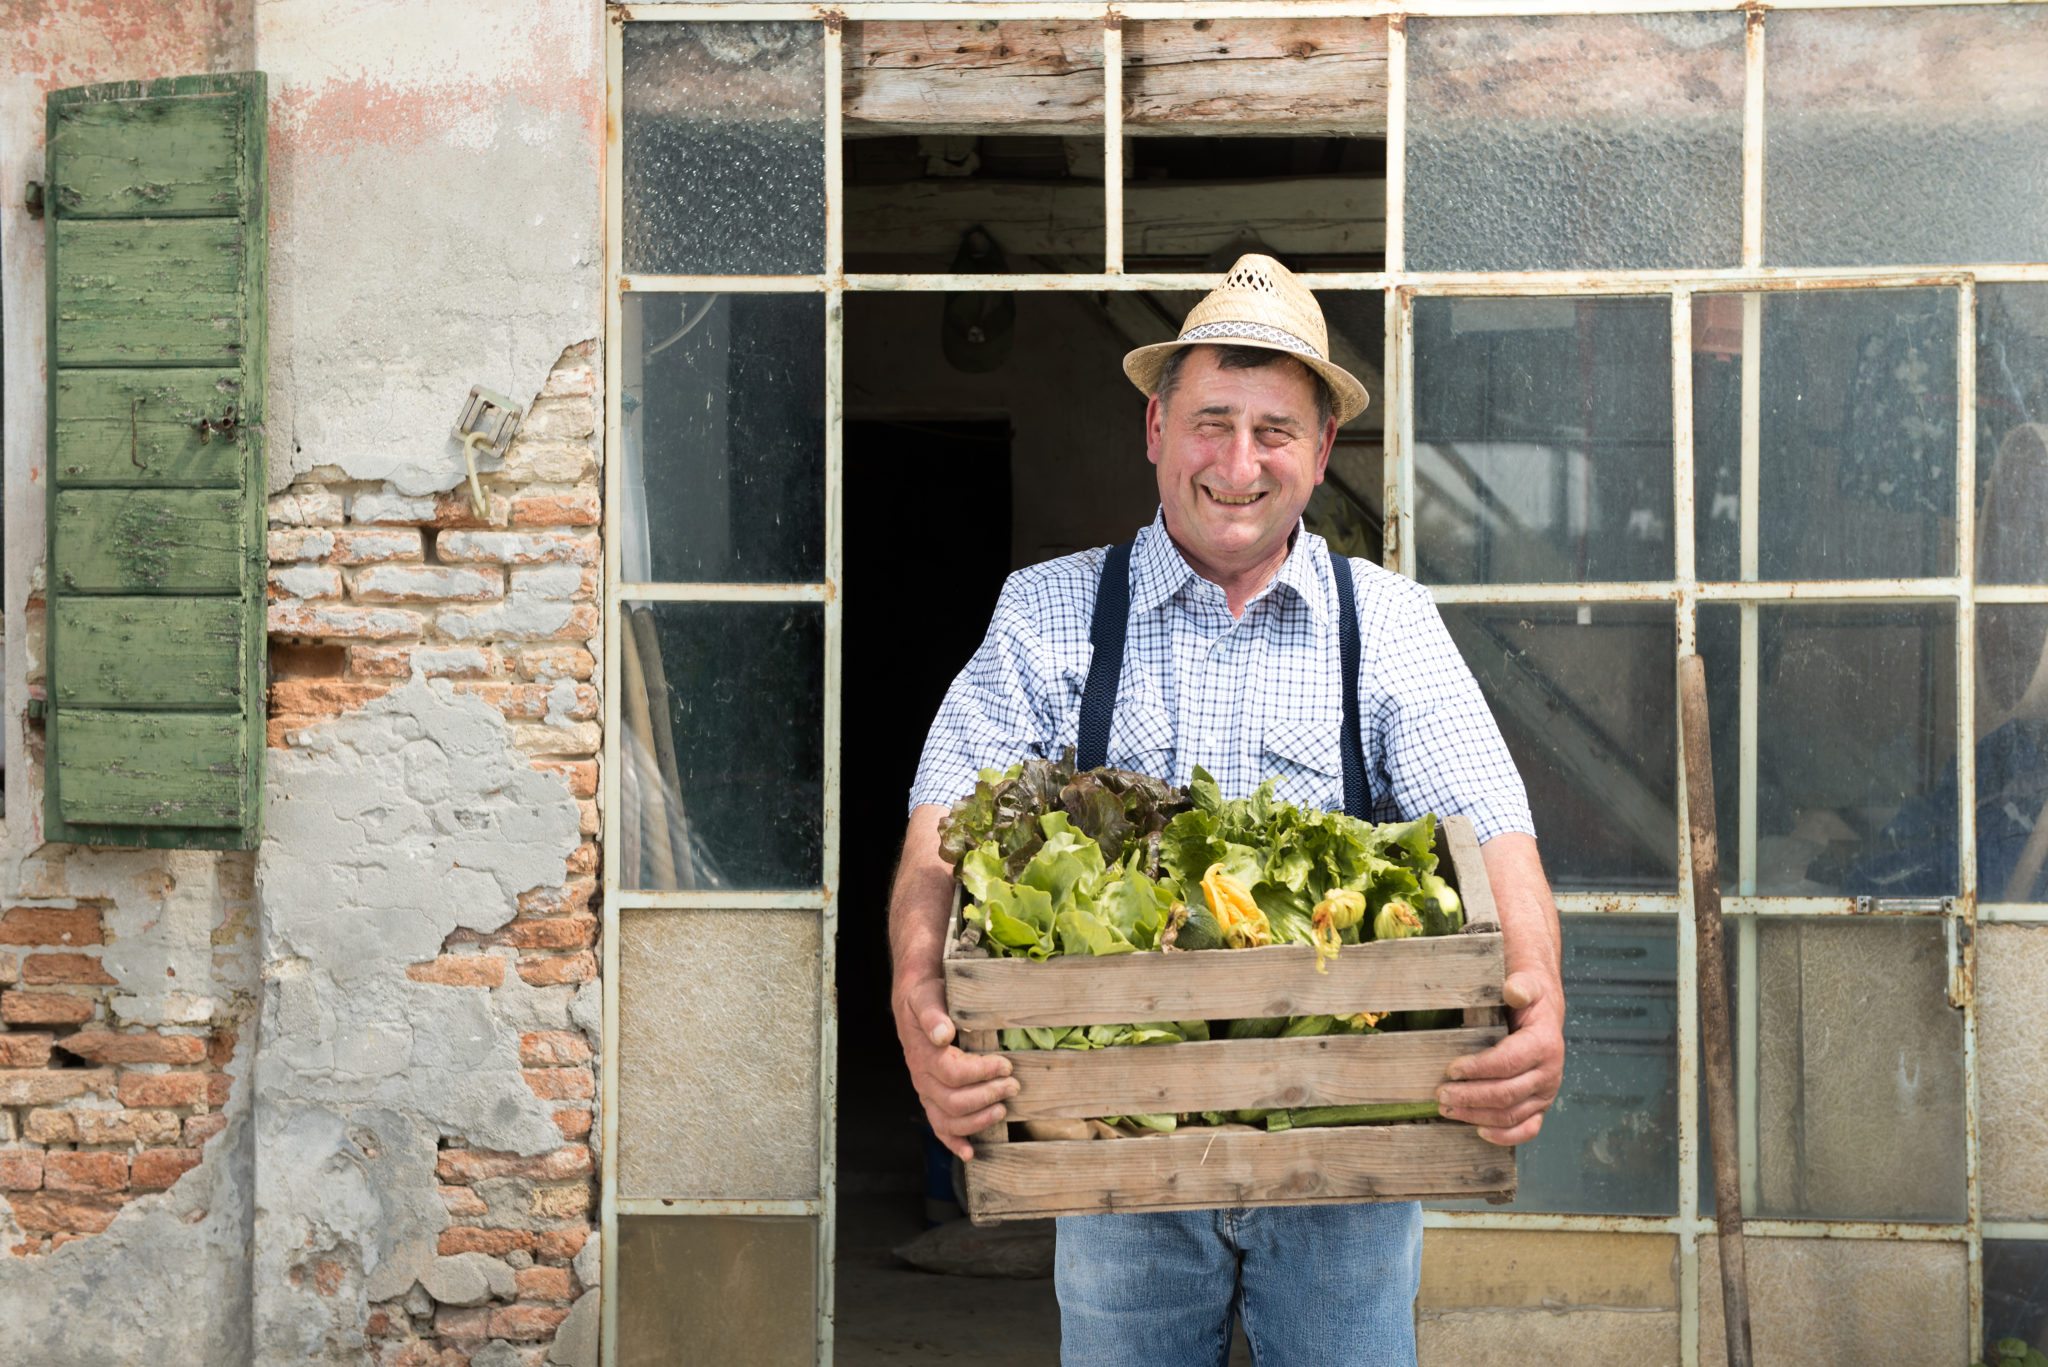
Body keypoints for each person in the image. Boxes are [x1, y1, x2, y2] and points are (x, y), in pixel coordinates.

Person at [888, 254, 1565, 1366]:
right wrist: (921, 1002)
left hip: (1348, 1141)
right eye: (1210, 422)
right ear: (1154, 428)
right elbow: (938, 829)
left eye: (1272, 431)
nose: (1237, 463)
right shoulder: (1048, 612)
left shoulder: (1387, 625)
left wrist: (1535, 1006)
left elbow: (1490, 827)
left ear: (1318, 450)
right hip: (1114, 1142)